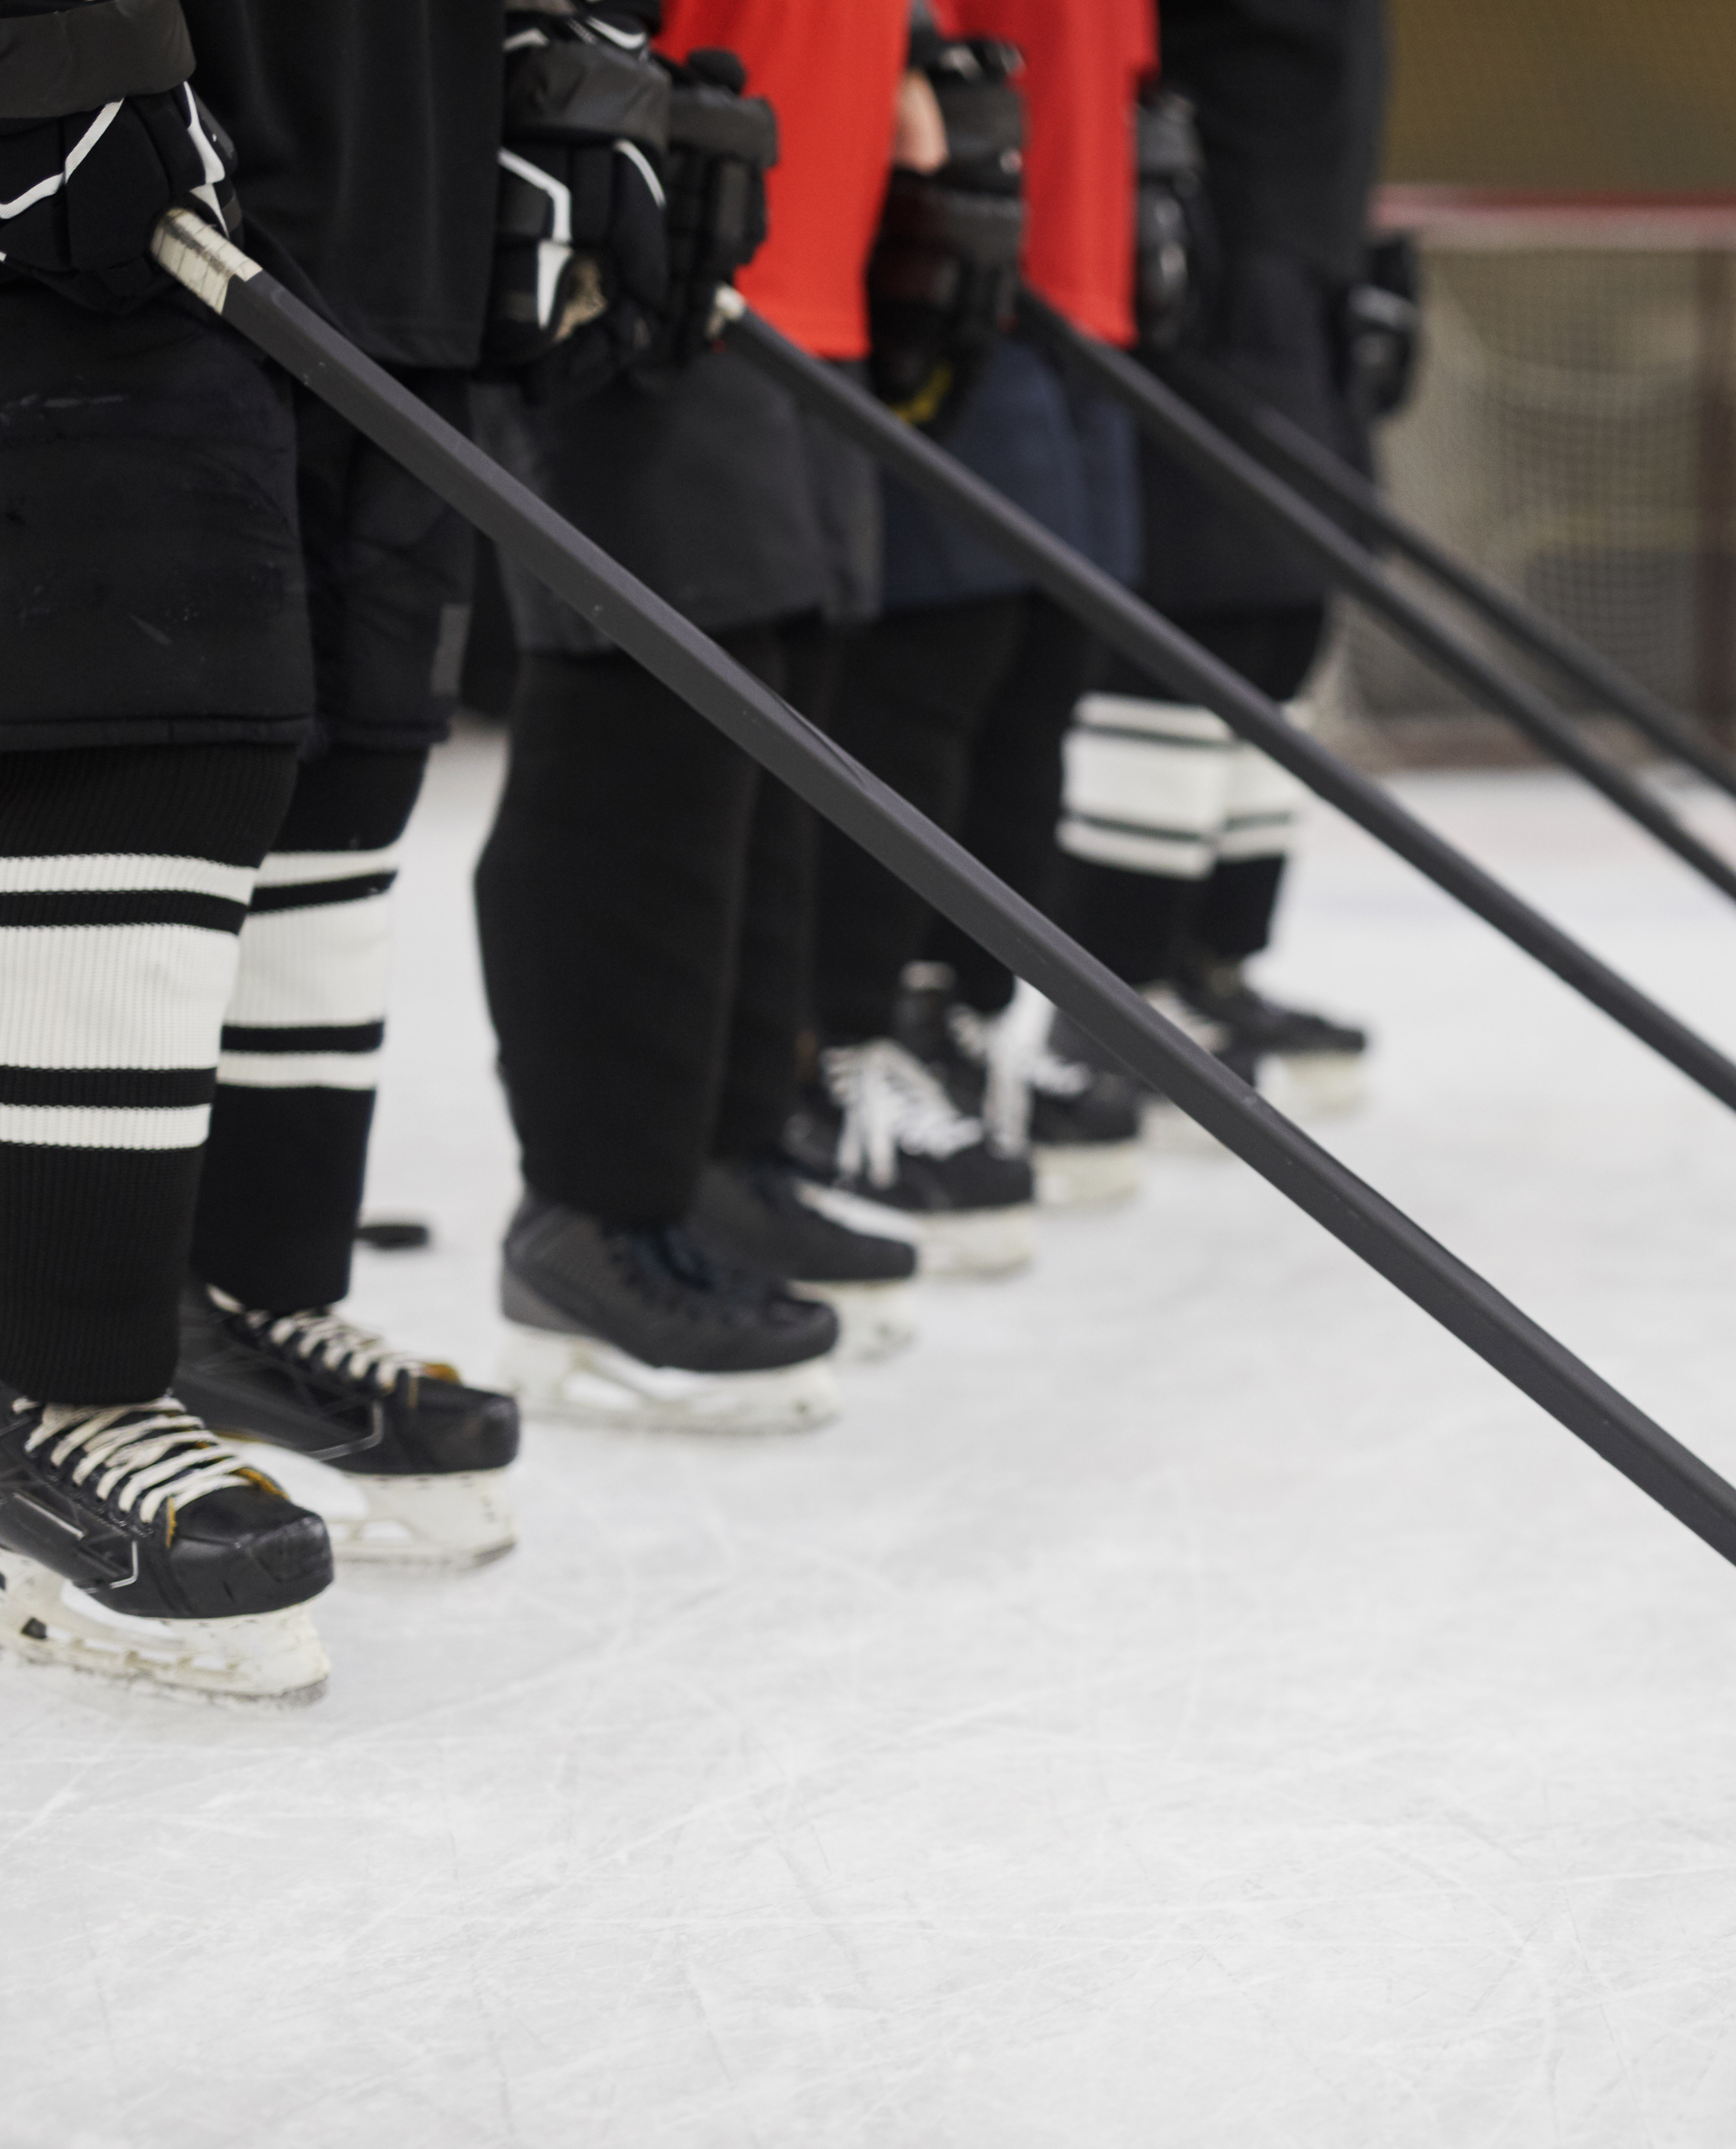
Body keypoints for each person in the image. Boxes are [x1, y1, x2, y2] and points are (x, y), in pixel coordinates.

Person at [0, 0, 676, 1693]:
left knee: (345, 755)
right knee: (144, 707)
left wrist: (571, 58)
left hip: (388, 158)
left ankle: (234, 1298)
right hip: (115, 138)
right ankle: (38, 1378)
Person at [474, 0, 1030, 1435]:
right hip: (646, 204)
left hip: (802, 230)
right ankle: (591, 1216)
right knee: (650, 713)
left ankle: (721, 1158)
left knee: (779, 700)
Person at [802, 6, 1156, 1217]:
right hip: (940, 251)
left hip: (1061, 268)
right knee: (934, 657)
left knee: (1043, 662)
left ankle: (960, 1011)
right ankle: (851, 1028)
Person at [1047, 0, 1394, 1122]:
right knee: (1203, 615)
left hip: (1311, 256)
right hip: (1215, 255)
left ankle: (1215, 960)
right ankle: (1112, 991)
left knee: (1287, 624)